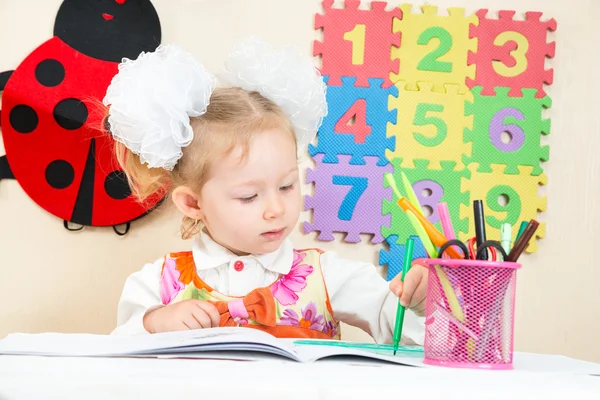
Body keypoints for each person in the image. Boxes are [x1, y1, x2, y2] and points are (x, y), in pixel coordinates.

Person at [105, 38, 428, 345]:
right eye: (249, 196)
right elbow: (117, 351)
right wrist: (155, 323)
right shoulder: (158, 282)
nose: (276, 208)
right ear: (192, 203)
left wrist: (418, 303)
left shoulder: (327, 275)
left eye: (287, 185)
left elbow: (401, 329)